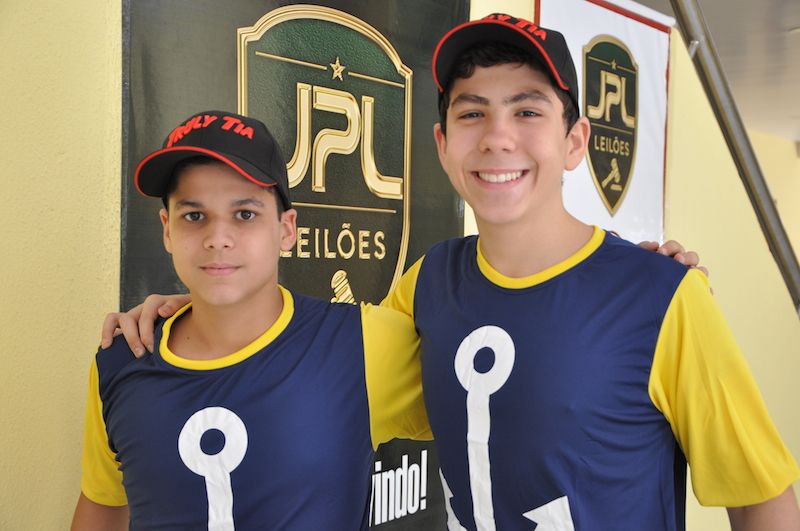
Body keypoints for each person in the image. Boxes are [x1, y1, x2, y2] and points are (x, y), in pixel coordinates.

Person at [98, 16, 751, 531]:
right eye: (472, 112)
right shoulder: (430, 286)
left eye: (527, 110)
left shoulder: (661, 295)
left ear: (576, 140)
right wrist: (205, 299)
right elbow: (298, 359)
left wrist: (648, 283)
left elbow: (758, 496)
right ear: (441, 142)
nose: (497, 136)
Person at [71, 111, 431, 530]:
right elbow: (102, 506)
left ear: (286, 229)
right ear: (167, 230)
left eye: (244, 214)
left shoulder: (362, 345)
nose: (217, 239)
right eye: (194, 216)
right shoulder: (122, 361)